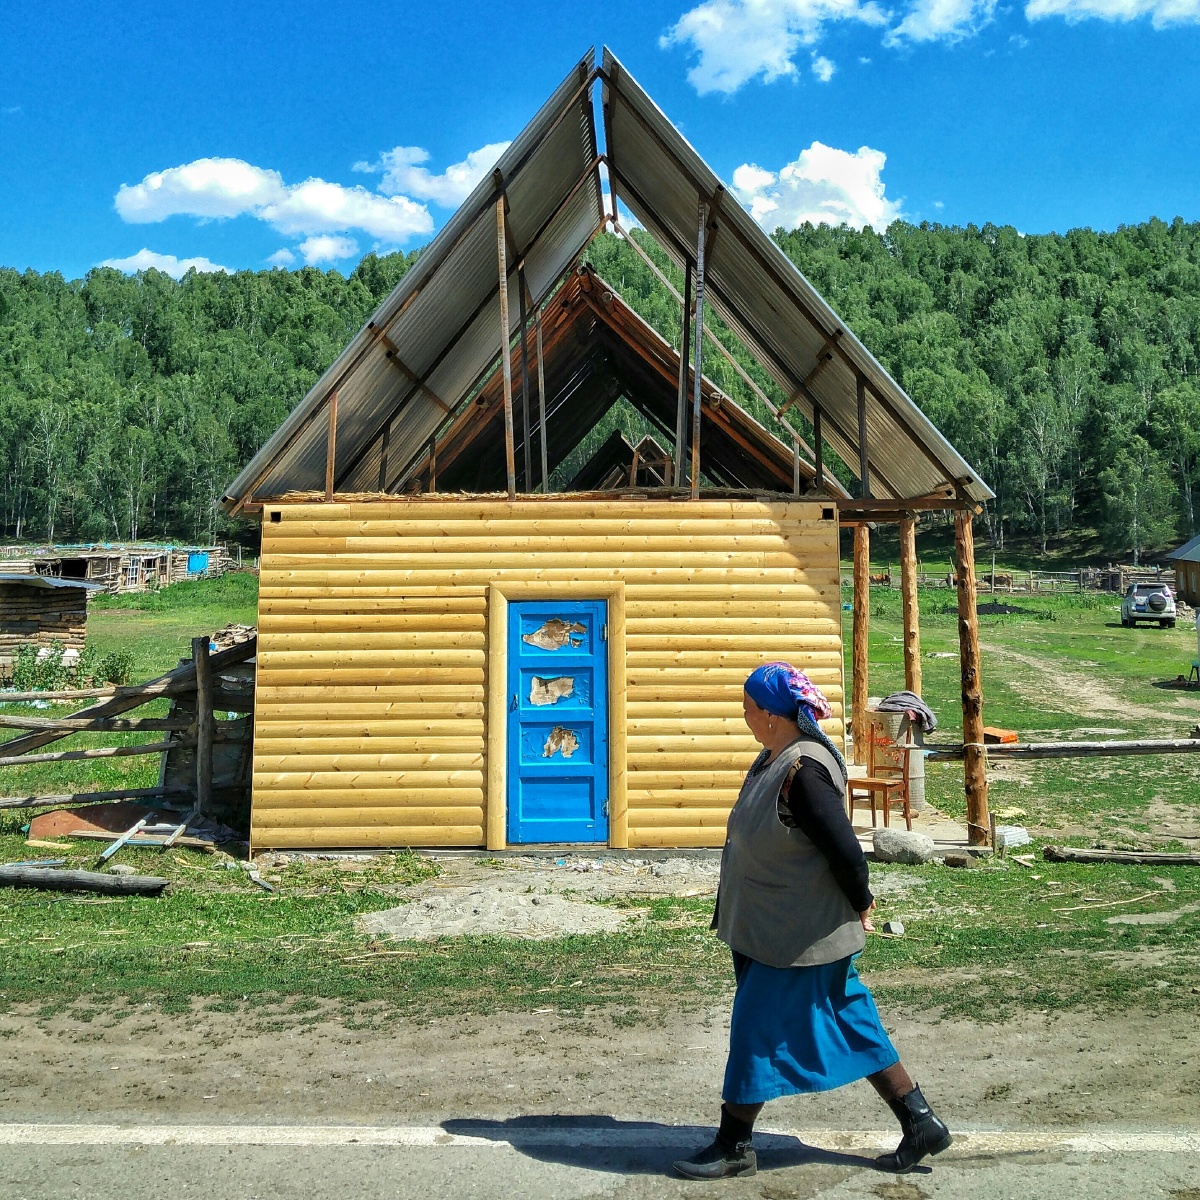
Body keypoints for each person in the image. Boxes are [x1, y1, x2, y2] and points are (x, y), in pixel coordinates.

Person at [673, 661, 951, 1181]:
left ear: (774, 715)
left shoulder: (804, 771)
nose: (745, 714)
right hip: (778, 927)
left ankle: (734, 1143)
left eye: (749, 707)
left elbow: (846, 849)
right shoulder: (775, 757)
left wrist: (862, 900)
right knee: (848, 1015)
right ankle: (920, 1123)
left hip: (798, 936)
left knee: (756, 1027)